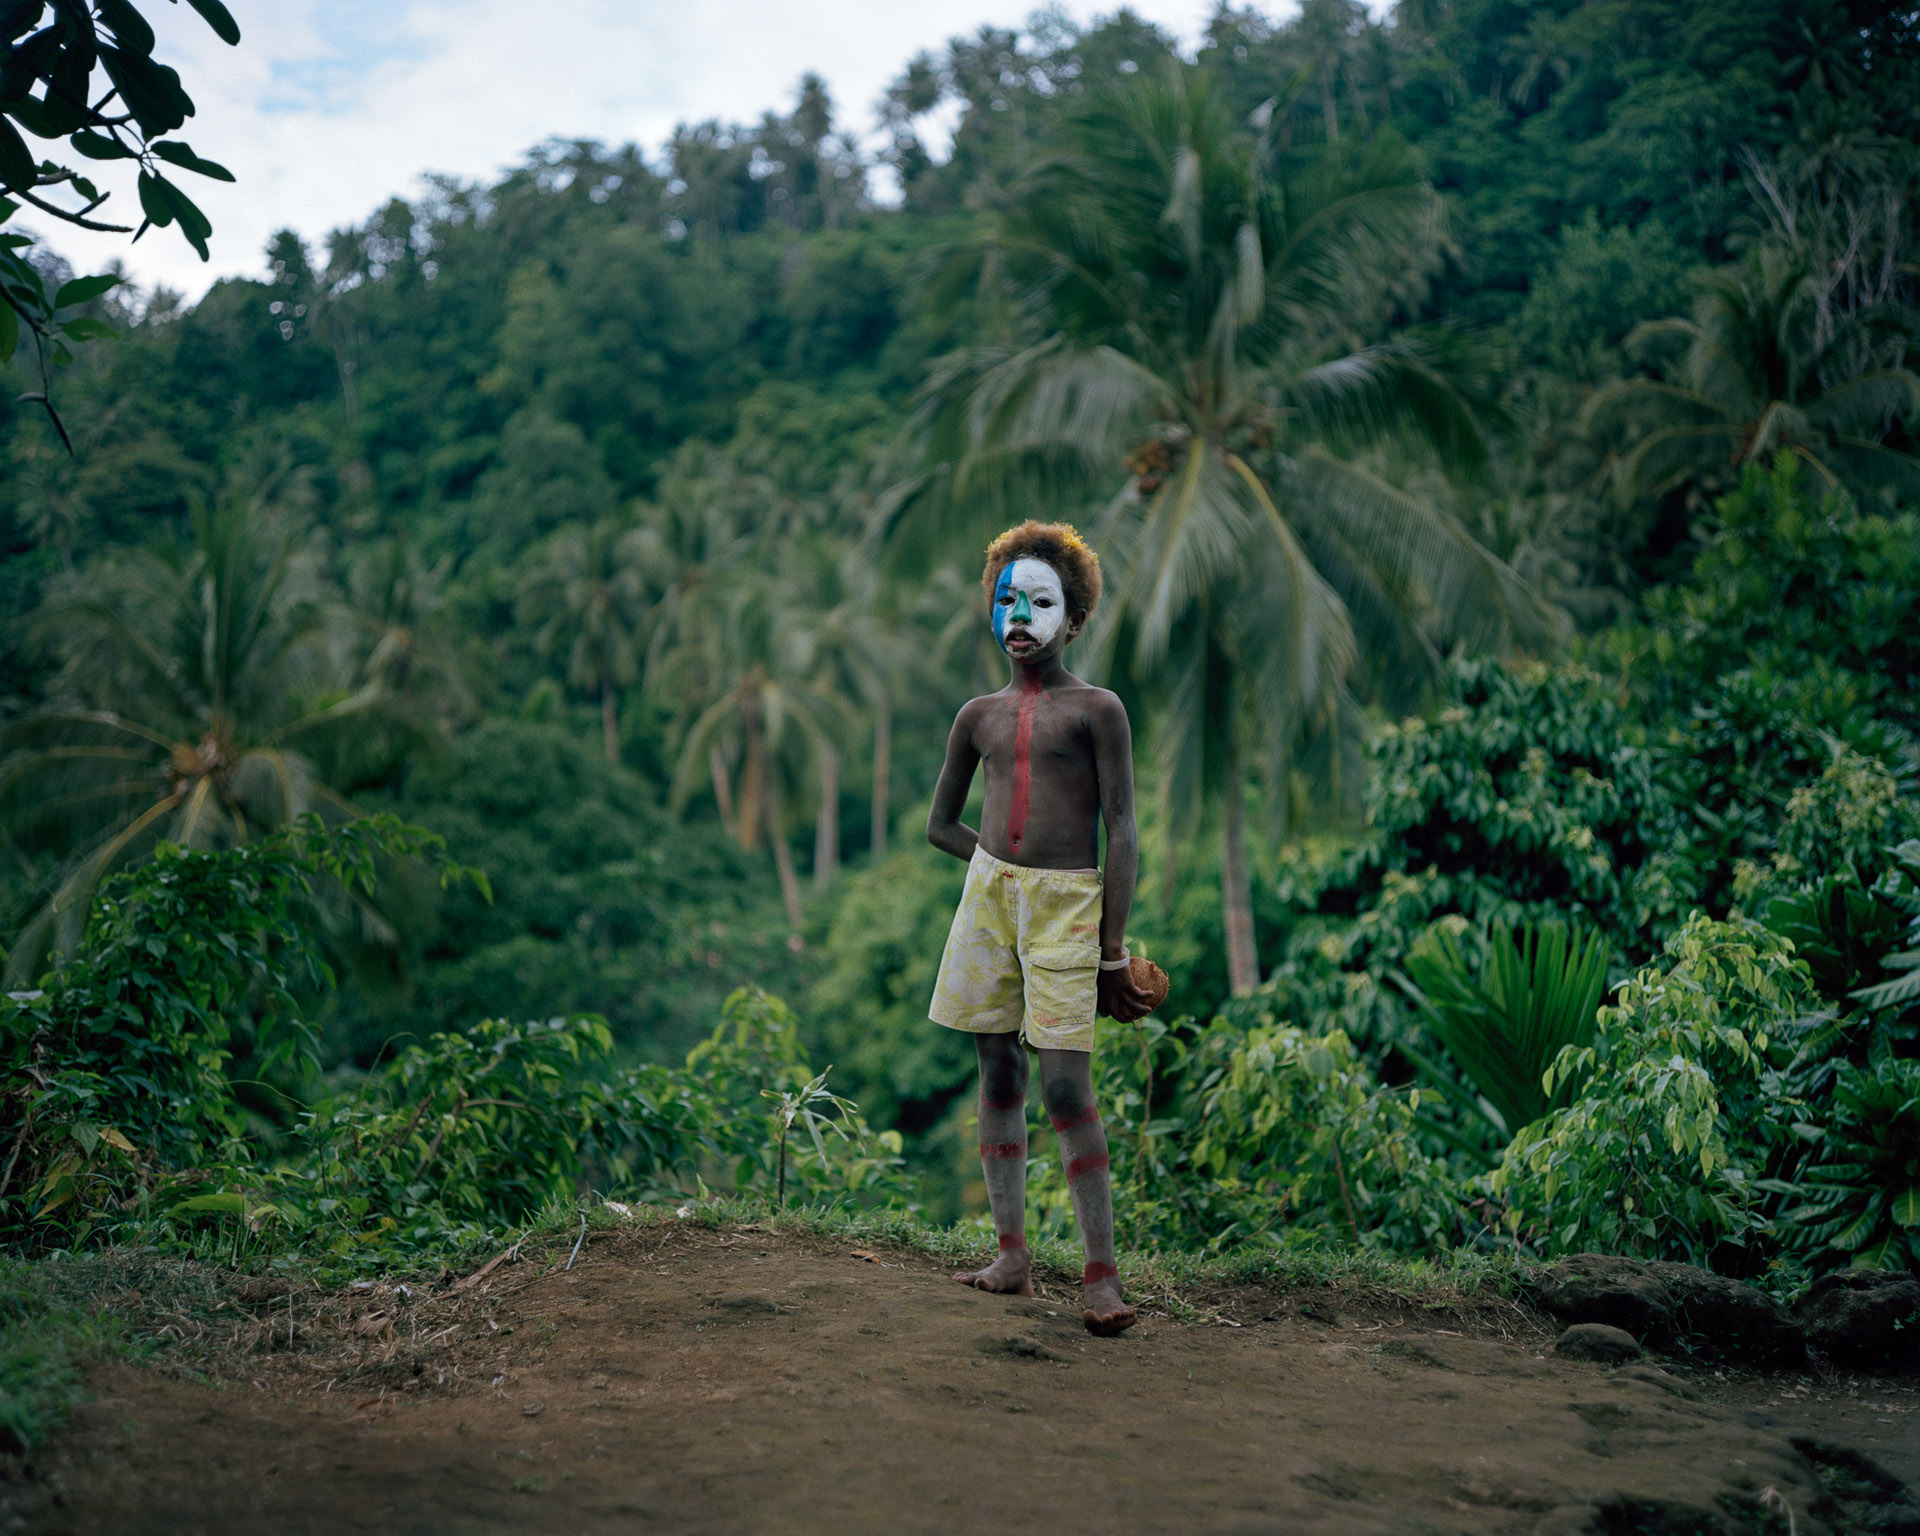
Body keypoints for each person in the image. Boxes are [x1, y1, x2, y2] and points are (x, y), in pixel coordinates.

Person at [926, 520, 1155, 1337]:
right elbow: (940, 824)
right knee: (997, 1072)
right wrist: (997, 873)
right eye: (1005, 601)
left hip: (1071, 906)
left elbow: (1122, 828)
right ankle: (1012, 1256)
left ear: (1075, 617)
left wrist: (1112, 947)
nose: (1019, 616)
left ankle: (1100, 1277)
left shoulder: (1100, 710)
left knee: (1064, 1083)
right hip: (992, 902)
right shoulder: (977, 716)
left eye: (1039, 602)